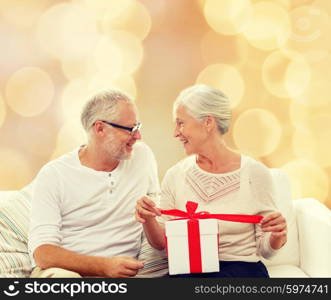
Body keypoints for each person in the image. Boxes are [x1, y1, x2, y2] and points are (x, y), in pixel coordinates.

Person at [135, 84, 287, 278]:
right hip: (190, 269)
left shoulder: (255, 174)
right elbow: (162, 245)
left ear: (208, 123)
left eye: (181, 123)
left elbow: (266, 251)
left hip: (241, 270)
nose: (175, 133)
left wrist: (276, 236)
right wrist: (148, 219)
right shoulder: (176, 175)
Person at [28, 89, 160, 278]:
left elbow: (157, 225)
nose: (138, 136)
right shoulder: (54, 175)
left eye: (138, 126)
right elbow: (43, 253)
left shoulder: (142, 157)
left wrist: (149, 215)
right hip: (66, 273)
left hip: (122, 276)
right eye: (130, 129)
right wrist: (104, 266)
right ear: (99, 129)